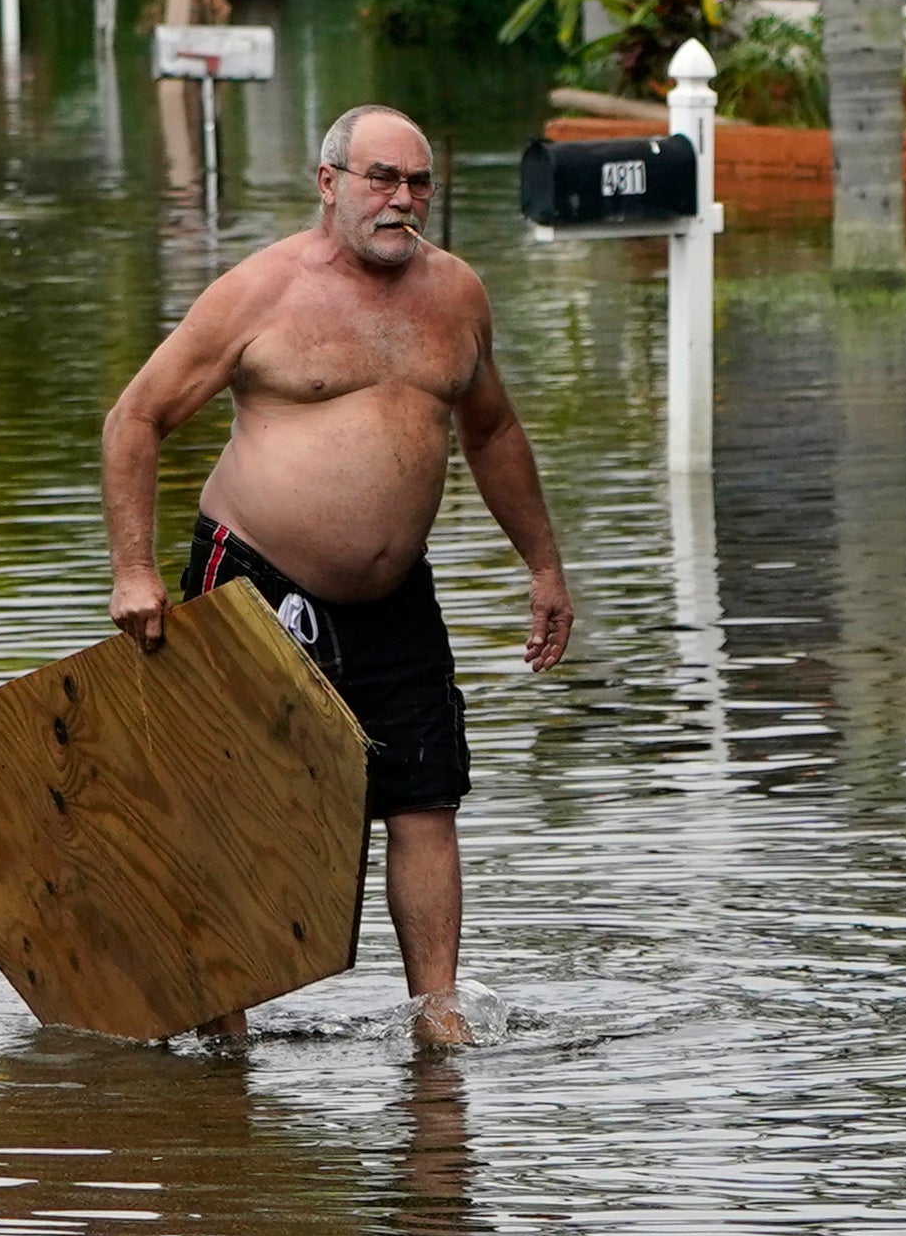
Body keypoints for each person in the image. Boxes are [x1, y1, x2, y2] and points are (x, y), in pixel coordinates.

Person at [98, 101, 573, 1045]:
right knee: (243, 805)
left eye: (418, 183)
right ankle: (221, 1026)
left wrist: (545, 565)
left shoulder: (457, 295)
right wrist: (135, 572)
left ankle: (438, 1020)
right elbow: (135, 419)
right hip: (256, 579)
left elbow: (492, 431)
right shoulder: (258, 293)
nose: (401, 200)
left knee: (426, 797)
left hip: (398, 596)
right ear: (329, 184)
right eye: (381, 179)